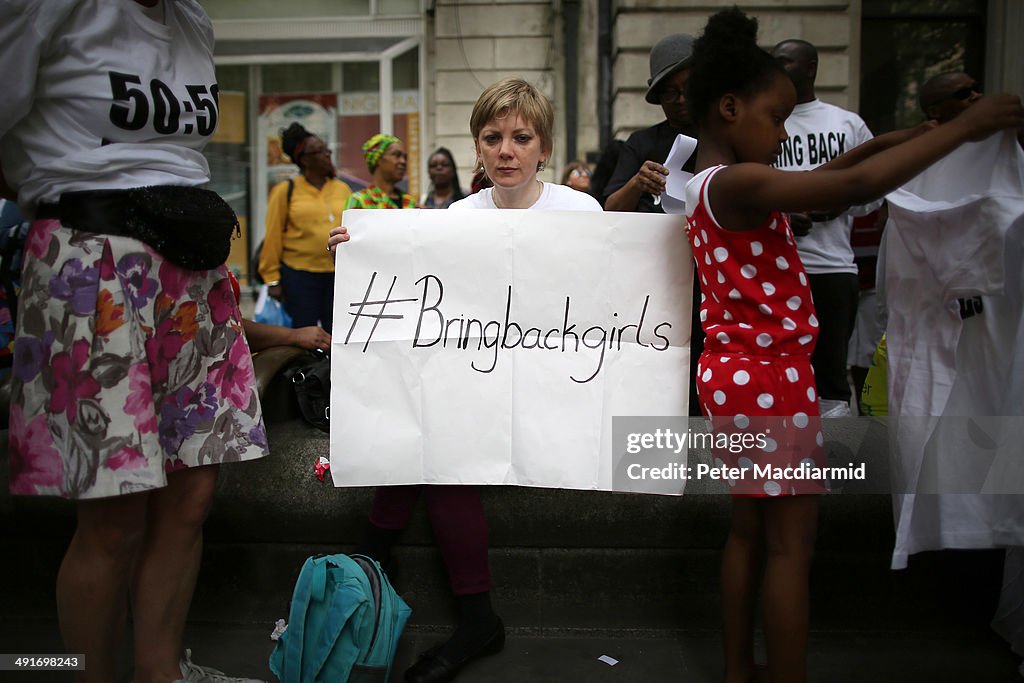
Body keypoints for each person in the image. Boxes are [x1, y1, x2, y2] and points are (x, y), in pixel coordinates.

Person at [682, 8, 1023, 682]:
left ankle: (736, 668)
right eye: (776, 118)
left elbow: (845, 164)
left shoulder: (705, 183)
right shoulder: (742, 184)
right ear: (729, 107)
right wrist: (965, 128)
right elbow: (850, 186)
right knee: (791, 547)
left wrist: (920, 134)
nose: (784, 135)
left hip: (735, 376)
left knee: (750, 532)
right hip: (770, 377)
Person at [1, 1, 272, 682]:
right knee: (113, 515)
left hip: (192, 271)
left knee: (192, 494)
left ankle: (161, 673)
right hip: (91, 265)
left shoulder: (196, 20)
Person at [330, 77, 600, 683]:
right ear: (477, 149)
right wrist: (360, 250)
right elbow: (420, 291)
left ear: (544, 148)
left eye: (521, 137)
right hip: (479, 382)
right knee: (437, 444)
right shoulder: (459, 215)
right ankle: (469, 611)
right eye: (492, 137)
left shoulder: (581, 213)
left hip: (549, 383)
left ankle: (375, 549)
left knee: (438, 444)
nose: (507, 150)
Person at [770, 38, 882, 417]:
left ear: (811, 67)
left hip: (833, 267)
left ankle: (831, 464)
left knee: (831, 375)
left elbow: (875, 191)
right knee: (781, 370)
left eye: (785, 62)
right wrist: (782, 214)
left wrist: (841, 203)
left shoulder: (846, 123)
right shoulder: (765, 123)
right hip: (776, 267)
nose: (777, 69)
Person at [601, 33, 704, 417]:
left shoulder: (727, 136)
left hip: (715, 281)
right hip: (657, 285)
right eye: (669, 93)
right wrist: (636, 183)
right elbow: (610, 208)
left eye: (688, 89)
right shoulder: (642, 143)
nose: (679, 100)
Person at [258, 122, 351, 334]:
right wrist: (272, 280)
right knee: (304, 336)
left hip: (337, 274)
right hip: (299, 277)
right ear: (304, 159)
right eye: (320, 151)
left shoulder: (342, 189)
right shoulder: (286, 190)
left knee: (337, 334)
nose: (328, 154)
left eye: (327, 149)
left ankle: (330, 369)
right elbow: (272, 237)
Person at [346, 134, 417, 210]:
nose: (403, 161)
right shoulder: (359, 200)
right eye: (396, 155)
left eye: (405, 157)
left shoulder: (409, 201)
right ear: (378, 159)